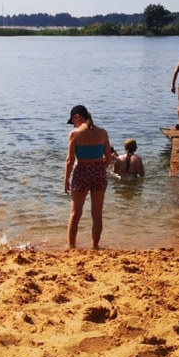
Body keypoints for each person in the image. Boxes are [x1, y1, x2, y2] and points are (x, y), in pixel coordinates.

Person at [64, 105, 114, 250]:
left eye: (73, 121)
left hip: (81, 173)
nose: (73, 124)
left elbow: (70, 160)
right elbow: (109, 157)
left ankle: (71, 247)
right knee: (97, 214)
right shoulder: (103, 132)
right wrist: (100, 169)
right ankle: (95, 246)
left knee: (75, 213)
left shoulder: (74, 134)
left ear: (77, 117)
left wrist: (66, 179)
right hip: (98, 173)